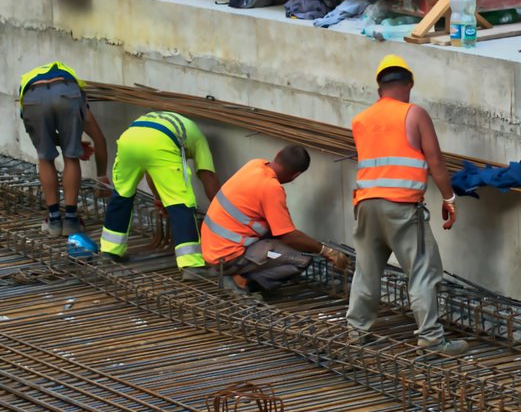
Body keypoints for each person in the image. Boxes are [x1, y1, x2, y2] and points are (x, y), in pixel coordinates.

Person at [346, 54, 467, 356]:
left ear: (378, 89)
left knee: (366, 271)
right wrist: (449, 198)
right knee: (423, 271)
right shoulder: (414, 114)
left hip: (365, 205)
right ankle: (431, 340)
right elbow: (435, 162)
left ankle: (355, 334)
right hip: (401, 207)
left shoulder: (361, 120)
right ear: (410, 83)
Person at [201, 145, 349, 293]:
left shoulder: (255, 164)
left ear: (277, 154)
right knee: (301, 259)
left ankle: (235, 271)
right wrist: (326, 251)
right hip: (229, 256)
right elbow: (289, 237)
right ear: (295, 175)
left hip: (212, 247)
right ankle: (242, 280)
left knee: (280, 243)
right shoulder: (271, 187)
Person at [100, 111, 220, 278]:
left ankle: (110, 251)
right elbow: (208, 176)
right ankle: (191, 265)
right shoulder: (199, 139)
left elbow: (152, 171)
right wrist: (221, 213)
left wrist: (161, 199)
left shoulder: (172, 123)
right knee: (181, 204)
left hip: (129, 138)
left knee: (122, 195)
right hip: (161, 142)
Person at [18, 61, 109, 236]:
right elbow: (99, 138)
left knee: (44, 157)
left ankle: (53, 221)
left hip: (32, 97)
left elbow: (45, 139)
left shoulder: (26, 81)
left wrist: (64, 141)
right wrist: (101, 177)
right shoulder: (76, 89)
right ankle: (71, 220)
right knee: (71, 157)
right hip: (67, 94)